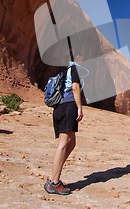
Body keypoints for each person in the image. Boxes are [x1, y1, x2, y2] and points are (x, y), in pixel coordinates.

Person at [44, 60, 83, 195]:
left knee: (71, 142)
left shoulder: (62, 69)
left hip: (59, 108)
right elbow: (75, 87)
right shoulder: (74, 68)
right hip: (69, 106)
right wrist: (79, 107)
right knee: (63, 144)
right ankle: (54, 182)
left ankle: (55, 174)